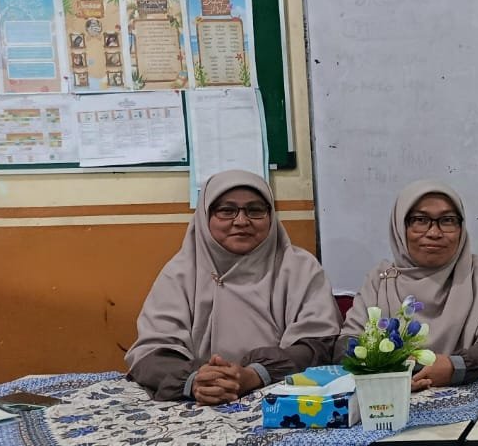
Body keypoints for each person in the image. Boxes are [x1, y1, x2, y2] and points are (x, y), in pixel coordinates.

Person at [126, 170, 341, 403]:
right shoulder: (180, 273)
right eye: (226, 211)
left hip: (278, 398)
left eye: (255, 210)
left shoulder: (300, 268)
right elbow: (151, 354)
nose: (241, 221)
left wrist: (256, 374)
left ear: (271, 216)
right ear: (205, 217)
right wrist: (198, 380)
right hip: (198, 400)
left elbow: (317, 346)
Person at [338, 180, 478, 390]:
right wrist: (389, 372)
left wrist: (455, 366)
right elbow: (346, 344)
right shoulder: (380, 280)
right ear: (400, 226)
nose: (434, 233)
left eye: (447, 220)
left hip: (470, 395)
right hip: (388, 394)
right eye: (420, 220)